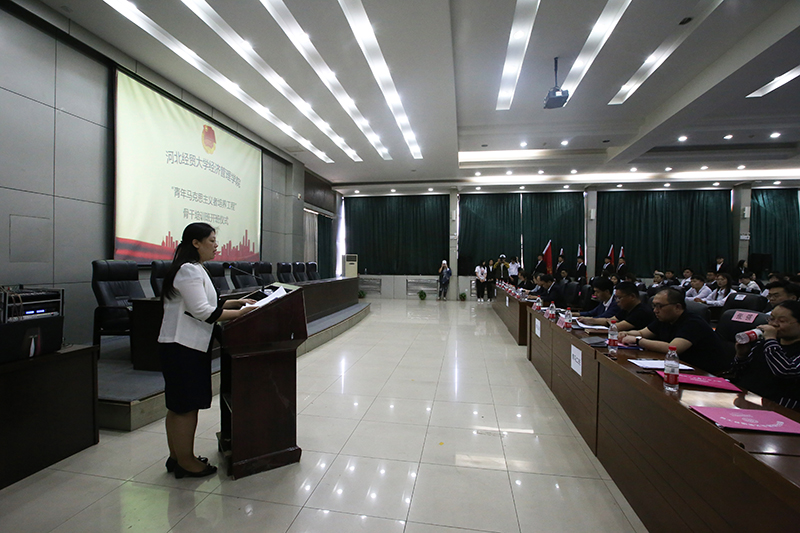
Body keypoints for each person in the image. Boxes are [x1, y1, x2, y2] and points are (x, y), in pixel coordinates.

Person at [158, 223, 256, 479]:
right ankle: (186, 462)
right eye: (212, 240)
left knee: (179, 406)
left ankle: (177, 457)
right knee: (185, 408)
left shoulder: (194, 268)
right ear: (196, 243)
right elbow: (203, 312)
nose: (216, 245)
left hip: (182, 346)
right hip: (183, 347)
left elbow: (205, 303)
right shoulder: (189, 270)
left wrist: (235, 303)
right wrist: (243, 313)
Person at [619, 288, 730, 374]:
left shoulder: (693, 322)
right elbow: (642, 333)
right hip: (681, 367)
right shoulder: (664, 318)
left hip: (706, 373)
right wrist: (626, 333)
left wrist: (638, 341)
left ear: (677, 307)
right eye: (654, 306)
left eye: (659, 306)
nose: (655, 310)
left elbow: (672, 348)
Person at [730, 301, 800, 409]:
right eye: (771, 319)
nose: (774, 324)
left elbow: (785, 371)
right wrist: (741, 356)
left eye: (782, 321)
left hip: (779, 408)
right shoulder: (765, 343)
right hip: (748, 398)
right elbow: (737, 373)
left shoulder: (769, 342)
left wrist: (771, 340)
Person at [584, 281, 654, 331]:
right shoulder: (626, 309)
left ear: (632, 296)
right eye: (616, 297)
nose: (617, 300)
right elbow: (610, 320)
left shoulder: (641, 311)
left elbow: (616, 327)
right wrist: (590, 320)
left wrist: (608, 322)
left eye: (619, 297)